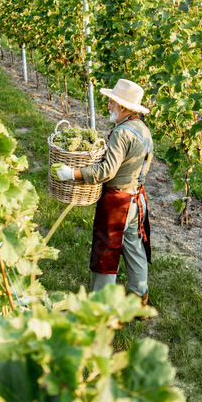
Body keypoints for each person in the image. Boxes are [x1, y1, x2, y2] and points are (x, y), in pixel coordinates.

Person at [55, 79, 153, 304]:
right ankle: (140, 297)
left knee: (106, 252)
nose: (108, 106)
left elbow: (107, 171)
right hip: (137, 199)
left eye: (112, 102)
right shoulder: (143, 129)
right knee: (135, 248)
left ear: (124, 107)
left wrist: (72, 173)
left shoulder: (122, 133)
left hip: (117, 203)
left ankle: (101, 307)